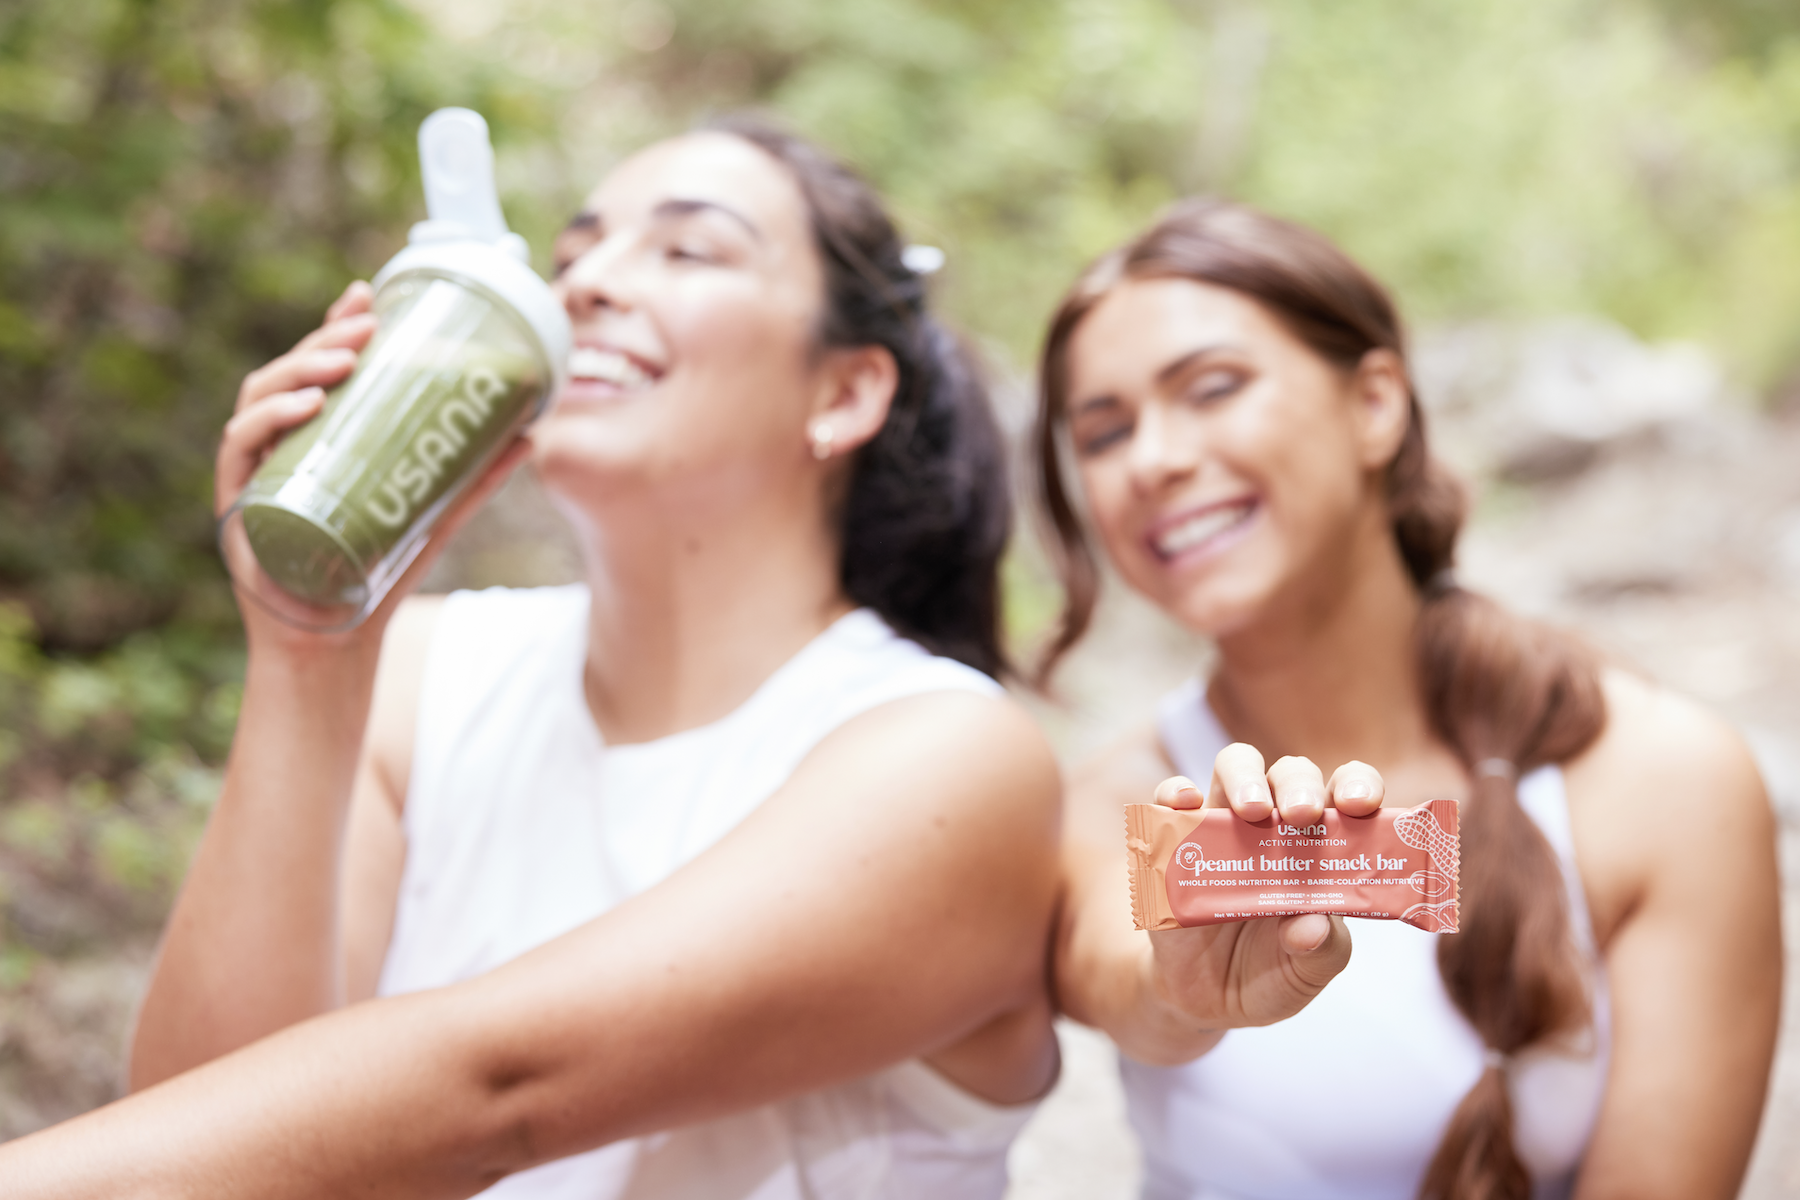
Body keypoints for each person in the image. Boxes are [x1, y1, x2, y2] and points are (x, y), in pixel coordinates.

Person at [0, 122, 1355, 1198]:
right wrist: (306, 655)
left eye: (688, 251)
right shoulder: (417, 670)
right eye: (579, 246)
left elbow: (491, 1095)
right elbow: (206, 1144)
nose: (586, 278)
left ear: (844, 393)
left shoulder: (939, 755)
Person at [1042, 199, 1783, 1200]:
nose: (1153, 460)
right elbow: (1120, 977)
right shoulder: (1107, 799)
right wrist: (1184, 992)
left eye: (1212, 389)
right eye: (1103, 433)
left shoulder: (1664, 779)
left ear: (1377, 404)